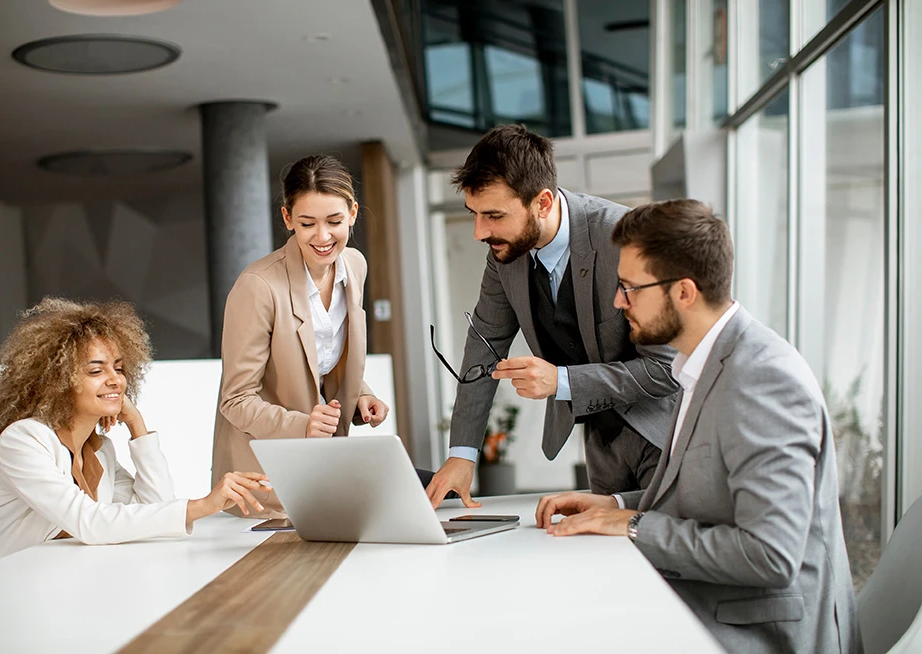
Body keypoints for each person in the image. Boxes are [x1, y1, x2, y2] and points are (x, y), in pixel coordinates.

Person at [535, 200, 861, 653]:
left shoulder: (761, 380)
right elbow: (710, 495)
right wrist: (610, 505)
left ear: (684, 292)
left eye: (630, 288)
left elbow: (769, 555)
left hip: (765, 633)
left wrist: (634, 526)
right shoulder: (703, 364)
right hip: (719, 606)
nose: (617, 301)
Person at [426, 124, 679, 508]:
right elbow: (482, 348)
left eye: (493, 215)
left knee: (663, 561)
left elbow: (666, 369)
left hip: (666, 435)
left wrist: (560, 380)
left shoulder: (625, 237)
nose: (479, 231)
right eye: (474, 214)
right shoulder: (503, 258)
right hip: (599, 442)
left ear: (542, 203)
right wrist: (462, 455)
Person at [0, 298, 270, 567]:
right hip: (1, 590)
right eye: (96, 371)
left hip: (58, 588)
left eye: (118, 368)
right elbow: (88, 521)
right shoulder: (24, 441)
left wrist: (136, 425)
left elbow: (155, 510)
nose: (116, 380)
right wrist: (203, 505)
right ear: (58, 382)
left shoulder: (99, 451)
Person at [213, 154, 389, 518]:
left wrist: (361, 394)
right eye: (308, 223)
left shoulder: (355, 265)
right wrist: (302, 424)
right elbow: (235, 399)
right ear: (287, 218)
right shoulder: (258, 287)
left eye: (335, 221)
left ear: (353, 213)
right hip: (265, 481)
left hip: (323, 466)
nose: (323, 237)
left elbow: (321, 357)